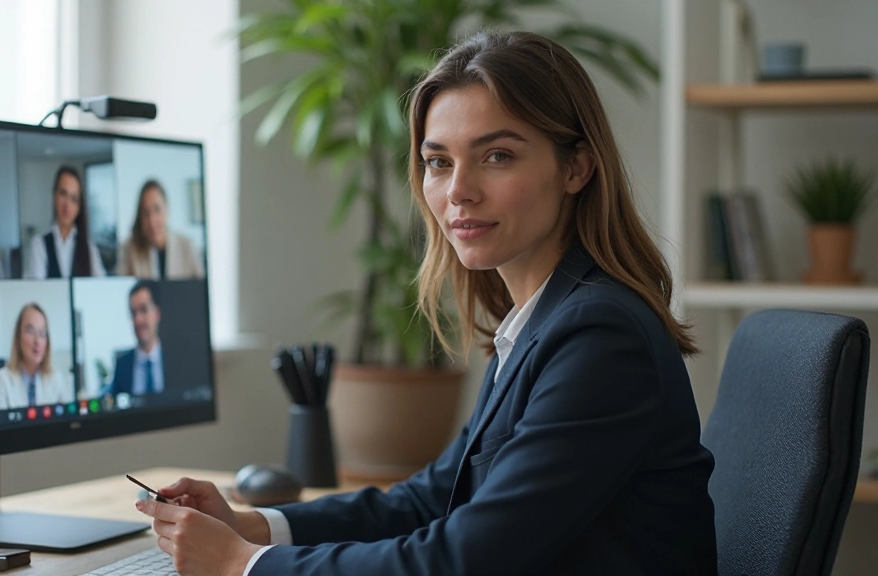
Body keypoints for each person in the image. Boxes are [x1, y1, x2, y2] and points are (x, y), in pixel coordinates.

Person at [135, 31, 718, 576]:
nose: (458, 190)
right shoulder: (541, 320)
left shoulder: (599, 335)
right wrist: (254, 526)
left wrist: (243, 564)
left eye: (497, 156)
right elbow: (435, 497)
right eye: (439, 161)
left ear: (577, 167)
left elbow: (466, 559)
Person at [26, 165, 106, 279]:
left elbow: (100, 285)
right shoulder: (39, 245)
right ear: (54, 196)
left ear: (79, 206)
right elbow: (36, 287)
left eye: (74, 199)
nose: (67, 204)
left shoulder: (89, 249)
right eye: (63, 194)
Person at [0, 303, 73, 410]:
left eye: (42, 333)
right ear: (18, 336)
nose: (37, 341)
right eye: (30, 331)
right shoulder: (3, 379)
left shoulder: (57, 379)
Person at [117, 179, 204, 280]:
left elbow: (202, 286)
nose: (151, 220)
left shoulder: (188, 247)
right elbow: (120, 285)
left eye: (157, 210)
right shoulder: (129, 249)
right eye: (146, 213)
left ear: (167, 209)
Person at [109, 281, 165, 397]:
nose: (138, 320)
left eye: (144, 310)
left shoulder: (176, 360)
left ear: (157, 313)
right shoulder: (122, 365)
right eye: (133, 313)